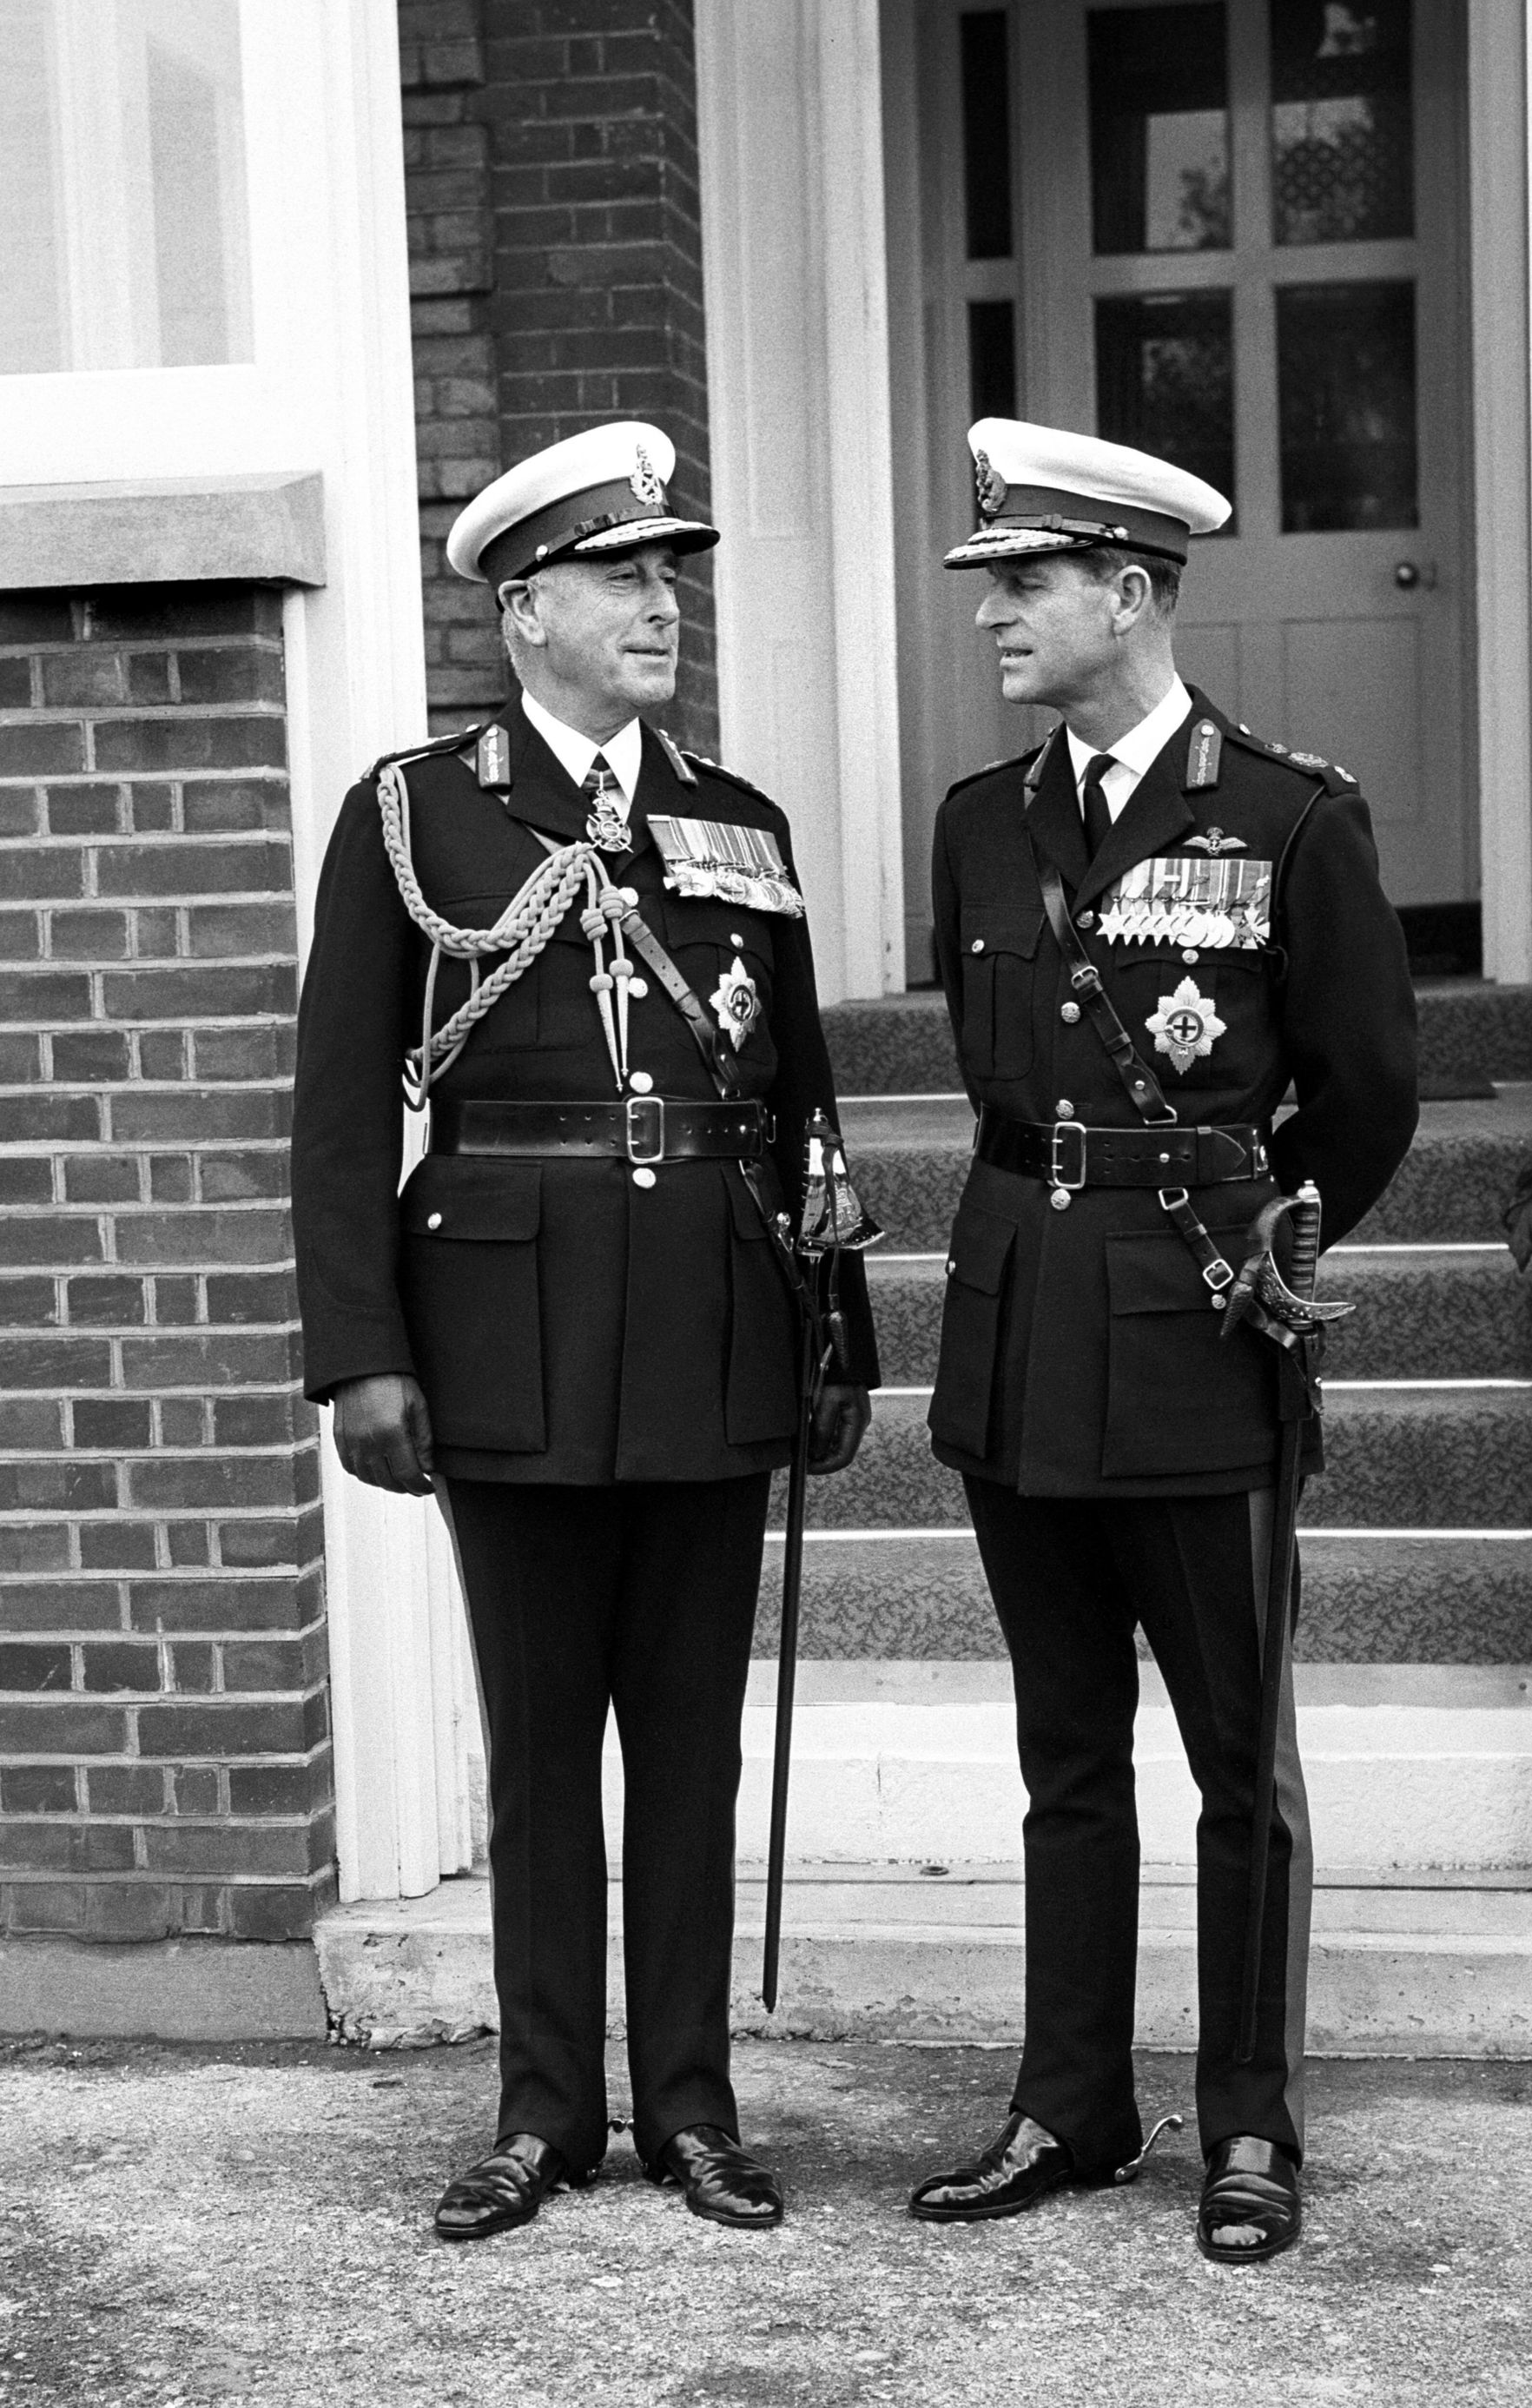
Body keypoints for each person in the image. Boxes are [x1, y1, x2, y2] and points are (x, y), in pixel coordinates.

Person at [291, 420, 876, 2241]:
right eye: (622, 575)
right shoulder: (418, 812)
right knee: (543, 1739)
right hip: (506, 1328)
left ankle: (690, 2109)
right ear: (522, 607)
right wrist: (360, 1350)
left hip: (709, 1314)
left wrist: (831, 1327)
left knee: (688, 1739)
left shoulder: (738, 819)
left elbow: (806, 1108)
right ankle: (542, 2112)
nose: (662, 603)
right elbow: (333, 1108)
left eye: (671, 574)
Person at [908, 419, 1417, 2260]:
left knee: (1231, 1759)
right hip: (1020, 1322)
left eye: (1024, 586)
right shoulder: (982, 823)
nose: (993, 620)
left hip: (1199, 1331)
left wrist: (1271, 1247)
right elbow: (995, 1093)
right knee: (1063, 1752)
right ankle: (1069, 2104)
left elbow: (1364, 1093)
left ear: (1128, 594)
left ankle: (1250, 2125)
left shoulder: (1288, 815)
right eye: (992, 591)